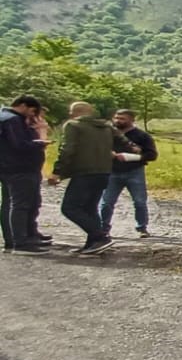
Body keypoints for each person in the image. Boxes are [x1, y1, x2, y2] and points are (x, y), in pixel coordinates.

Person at [48, 101, 116, 254]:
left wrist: (57, 171)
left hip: (84, 172)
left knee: (70, 208)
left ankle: (100, 236)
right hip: (103, 172)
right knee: (90, 208)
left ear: (74, 112)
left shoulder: (73, 125)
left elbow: (67, 149)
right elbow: (121, 142)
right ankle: (93, 244)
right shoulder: (106, 126)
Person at [1, 94, 51, 253]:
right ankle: (20, 242)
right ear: (22, 105)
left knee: (11, 204)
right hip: (20, 167)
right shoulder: (13, 120)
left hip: (7, 167)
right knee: (20, 205)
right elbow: (20, 145)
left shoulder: (4, 117)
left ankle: (16, 239)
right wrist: (40, 140)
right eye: (32, 111)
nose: (33, 115)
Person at [100, 108, 158, 236]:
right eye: (116, 118)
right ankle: (103, 228)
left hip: (134, 171)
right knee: (106, 202)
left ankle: (142, 227)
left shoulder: (142, 136)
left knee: (139, 201)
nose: (118, 121)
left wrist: (133, 156)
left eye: (122, 119)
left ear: (131, 120)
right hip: (112, 171)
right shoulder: (107, 134)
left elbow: (152, 155)